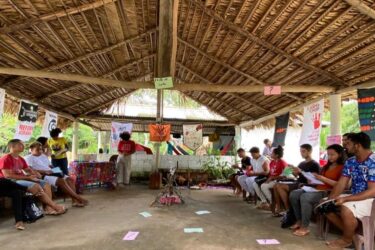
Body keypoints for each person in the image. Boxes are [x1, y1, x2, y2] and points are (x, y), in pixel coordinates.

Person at [323, 132, 375, 249]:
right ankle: (355, 236)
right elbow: (342, 183)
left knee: (346, 208)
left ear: (357, 146)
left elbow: (372, 191)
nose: (345, 146)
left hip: (371, 199)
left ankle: (346, 240)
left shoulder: (373, 161)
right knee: (325, 207)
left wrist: (346, 198)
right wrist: (330, 199)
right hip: (357, 196)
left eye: (348, 143)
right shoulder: (350, 161)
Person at [289, 144, 345, 237]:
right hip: (316, 188)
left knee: (305, 197)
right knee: (294, 194)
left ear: (339, 154)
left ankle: (304, 227)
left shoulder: (343, 167)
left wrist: (323, 179)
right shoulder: (326, 167)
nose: (330, 157)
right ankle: (299, 220)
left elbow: (340, 185)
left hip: (328, 192)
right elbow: (319, 180)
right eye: (328, 155)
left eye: (332, 155)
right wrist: (311, 178)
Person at [0, 139, 66, 215]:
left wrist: (35, 173)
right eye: (20, 145)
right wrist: (28, 178)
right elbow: (7, 176)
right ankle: (55, 207)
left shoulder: (20, 158)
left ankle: (48, 208)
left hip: (22, 178)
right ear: (12, 146)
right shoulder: (5, 159)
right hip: (11, 181)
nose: (23, 146)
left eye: (23, 144)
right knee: (36, 186)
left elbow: (28, 169)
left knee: (45, 184)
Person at [25, 142, 88, 207]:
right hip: (43, 175)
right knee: (61, 181)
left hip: (52, 172)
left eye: (41, 149)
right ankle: (78, 198)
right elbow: (30, 170)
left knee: (70, 179)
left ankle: (74, 201)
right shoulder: (29, 158)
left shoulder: (43, 156)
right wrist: (44, 171)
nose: (40, 151)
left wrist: (56, 170)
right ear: (31, 149)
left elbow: (50, 165)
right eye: (37, 150)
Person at [273, 144, 320, 214]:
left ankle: (288, 210)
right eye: (300, 151)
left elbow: (312, 179)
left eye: (303, 151)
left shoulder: (314, 164)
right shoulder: (302, 163)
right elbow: (296, 175)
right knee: (275, 185)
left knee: (279, 186)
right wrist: (292, 169)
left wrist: (301, 171)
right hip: (297, 182)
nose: (301, 153)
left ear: (309, 152)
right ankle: (279, 208)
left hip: (305, 184)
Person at [254, 146, 287, 210]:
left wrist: (272, 178)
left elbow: (286, 175)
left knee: (264, 186)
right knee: (255, 184)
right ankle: (264, 202)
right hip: (271, 179)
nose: (270, 154)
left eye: (272, 153)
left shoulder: (283, 162)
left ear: (277, 155)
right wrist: (267, 178)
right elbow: (270, 173)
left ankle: (274, 204)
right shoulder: (272, 162)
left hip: (278, 180)